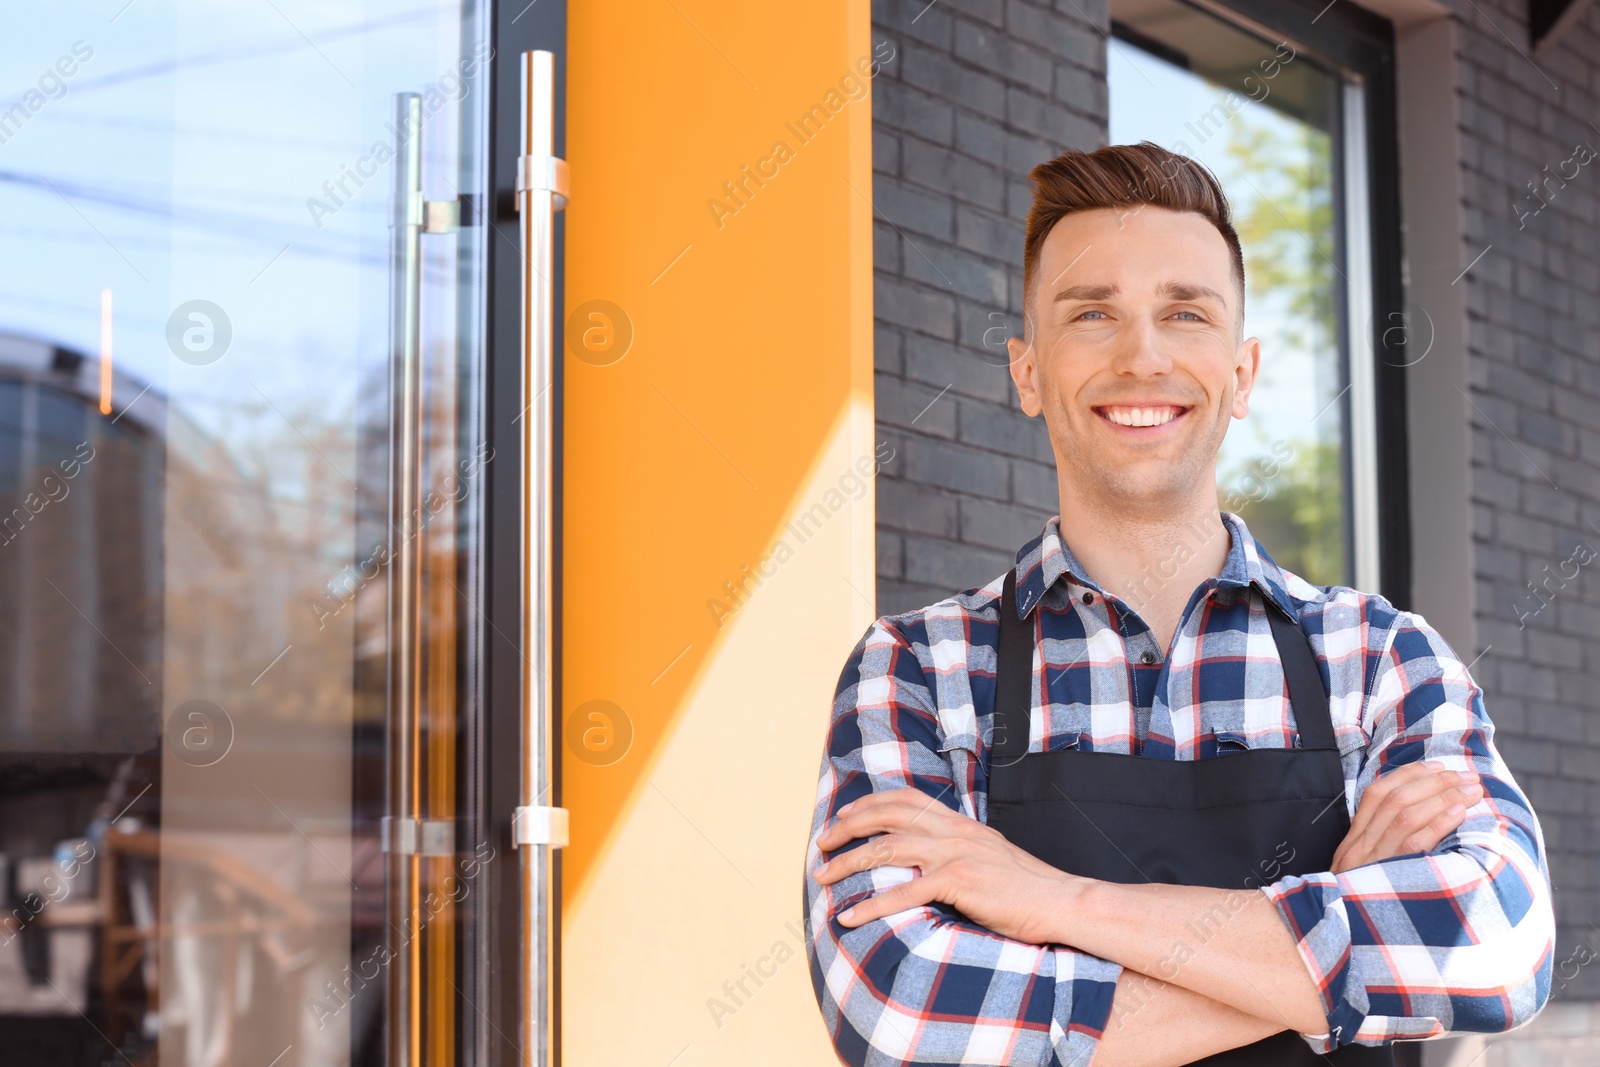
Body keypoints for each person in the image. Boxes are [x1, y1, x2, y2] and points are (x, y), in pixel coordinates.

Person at [802, 142, 1554, 1067]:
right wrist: (1331, 921)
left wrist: (1049, 899)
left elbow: (1497, 944)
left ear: (1241, 374)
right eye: (1091, 313)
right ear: (1027, 371)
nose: (1142, 354)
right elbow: (897, 1013)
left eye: (1184, 312)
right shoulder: (915, 669)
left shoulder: (1382, 657)